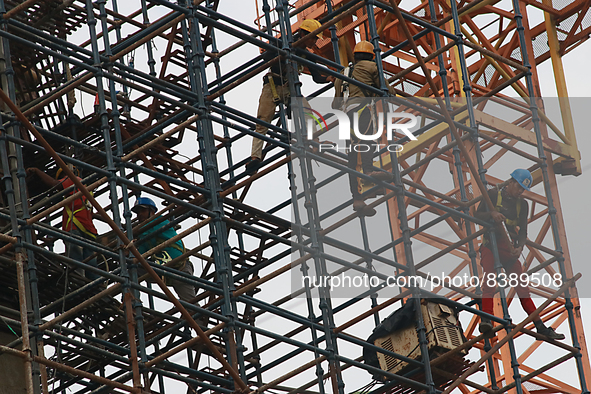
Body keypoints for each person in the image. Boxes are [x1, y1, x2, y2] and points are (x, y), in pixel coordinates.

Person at [475, 169, 564, 340]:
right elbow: (476, 215)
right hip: (490, 245)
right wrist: (491, 214)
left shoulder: (522, 205)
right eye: (519, 187)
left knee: (523, 289)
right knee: (489, 284)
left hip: (508, 249)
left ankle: (540, 327)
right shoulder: (493, 195)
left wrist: (520, 248)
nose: (520, 192)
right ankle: (486, 320)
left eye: (523, 190)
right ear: (511, 182)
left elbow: (523, 233)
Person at [246, 18, 334, 175]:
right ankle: (255, 157)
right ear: (302, 33)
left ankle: (315, 142)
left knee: (307, 110)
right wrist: (284, 49)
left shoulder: (305, 53)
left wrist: (329, 79)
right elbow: (266, 57)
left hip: (290, 89)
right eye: (314, 38)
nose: (315, 42)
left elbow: (316, 76)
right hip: (272, 86)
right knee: (262, 121)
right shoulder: (283, 42)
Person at [332, 40, 397, 216]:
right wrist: (392, 93)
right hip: (362, 110)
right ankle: (369, 169)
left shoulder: (343, 73)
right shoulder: (372, 66)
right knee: (367, 140)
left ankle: (357, 198)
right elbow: (384, 88)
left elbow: (334, 104)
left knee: (352, 159)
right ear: (370, 55)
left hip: (346, 116)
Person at [26, 166, 99, 280]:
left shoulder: (72, 180)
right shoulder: (86, 189)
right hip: (89, 231)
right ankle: (96, 287)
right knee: (91, 266)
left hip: (75, 228)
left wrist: (36, 170)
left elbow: (55, 184)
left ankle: (78, 284)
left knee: (76, 265)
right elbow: (92, 214)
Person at [132, 197, 195, 303]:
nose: (140, 214)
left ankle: (198, 319)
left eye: (143, 210)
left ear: (152, 212)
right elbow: (139, 254)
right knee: (132, 268)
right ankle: (132, 302)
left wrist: (129, 235)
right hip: (162, 269)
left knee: (191, 305)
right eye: (138, 212)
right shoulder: (144, 237)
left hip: (180, 269)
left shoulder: (159, 221)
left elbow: (144, 231)